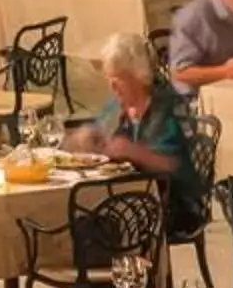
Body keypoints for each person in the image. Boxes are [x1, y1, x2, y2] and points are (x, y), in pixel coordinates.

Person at [86, 34, 206, 224]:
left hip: (174, 203)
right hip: (130, 198)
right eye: (109, 78)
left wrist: (133, 152)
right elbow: (96, 137)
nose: (112, 86)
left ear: (139, 76)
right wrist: (85, 140)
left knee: (100, 223)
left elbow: (173, 166)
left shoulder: (167, 106)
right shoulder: (117, 105)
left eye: (118, 78)